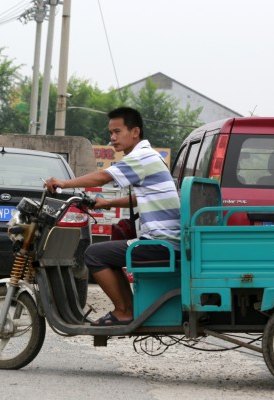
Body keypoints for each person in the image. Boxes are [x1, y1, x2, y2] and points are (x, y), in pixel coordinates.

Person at [45, 106, 181, 326]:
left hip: (161, 243)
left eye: (117, 132)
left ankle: (123, 311)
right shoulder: (151, 156)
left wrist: (63, 183)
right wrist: (107, 203)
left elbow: (101, 177)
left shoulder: (141, 157)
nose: (112, 138)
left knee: (94, 254)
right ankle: (128, 309)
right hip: (168, 240)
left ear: (135, 132)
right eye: (111, 133)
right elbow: (141, 197)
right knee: (109, 252)